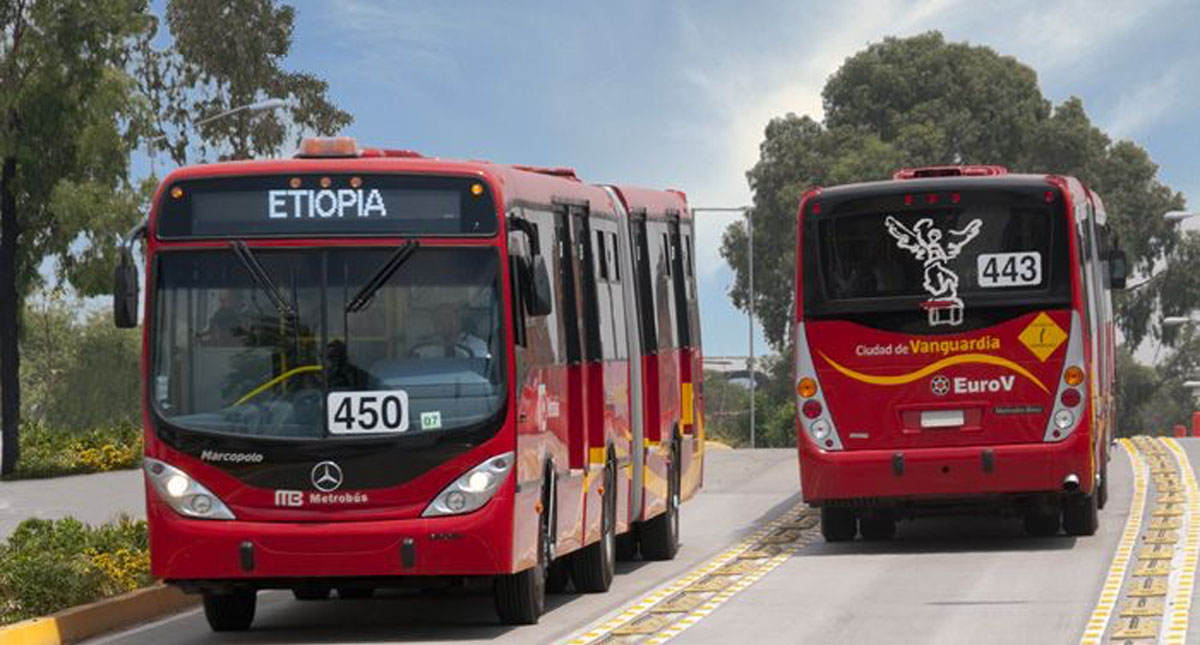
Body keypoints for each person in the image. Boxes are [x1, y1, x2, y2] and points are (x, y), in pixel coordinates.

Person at [411, 303, 489, 358]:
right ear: (435, 325)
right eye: (440, 320)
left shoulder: (477, 344)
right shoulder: (425, 347)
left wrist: (452, 345)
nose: (445, 323)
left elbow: (479, 366)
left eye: (449, 318)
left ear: (458, 321)